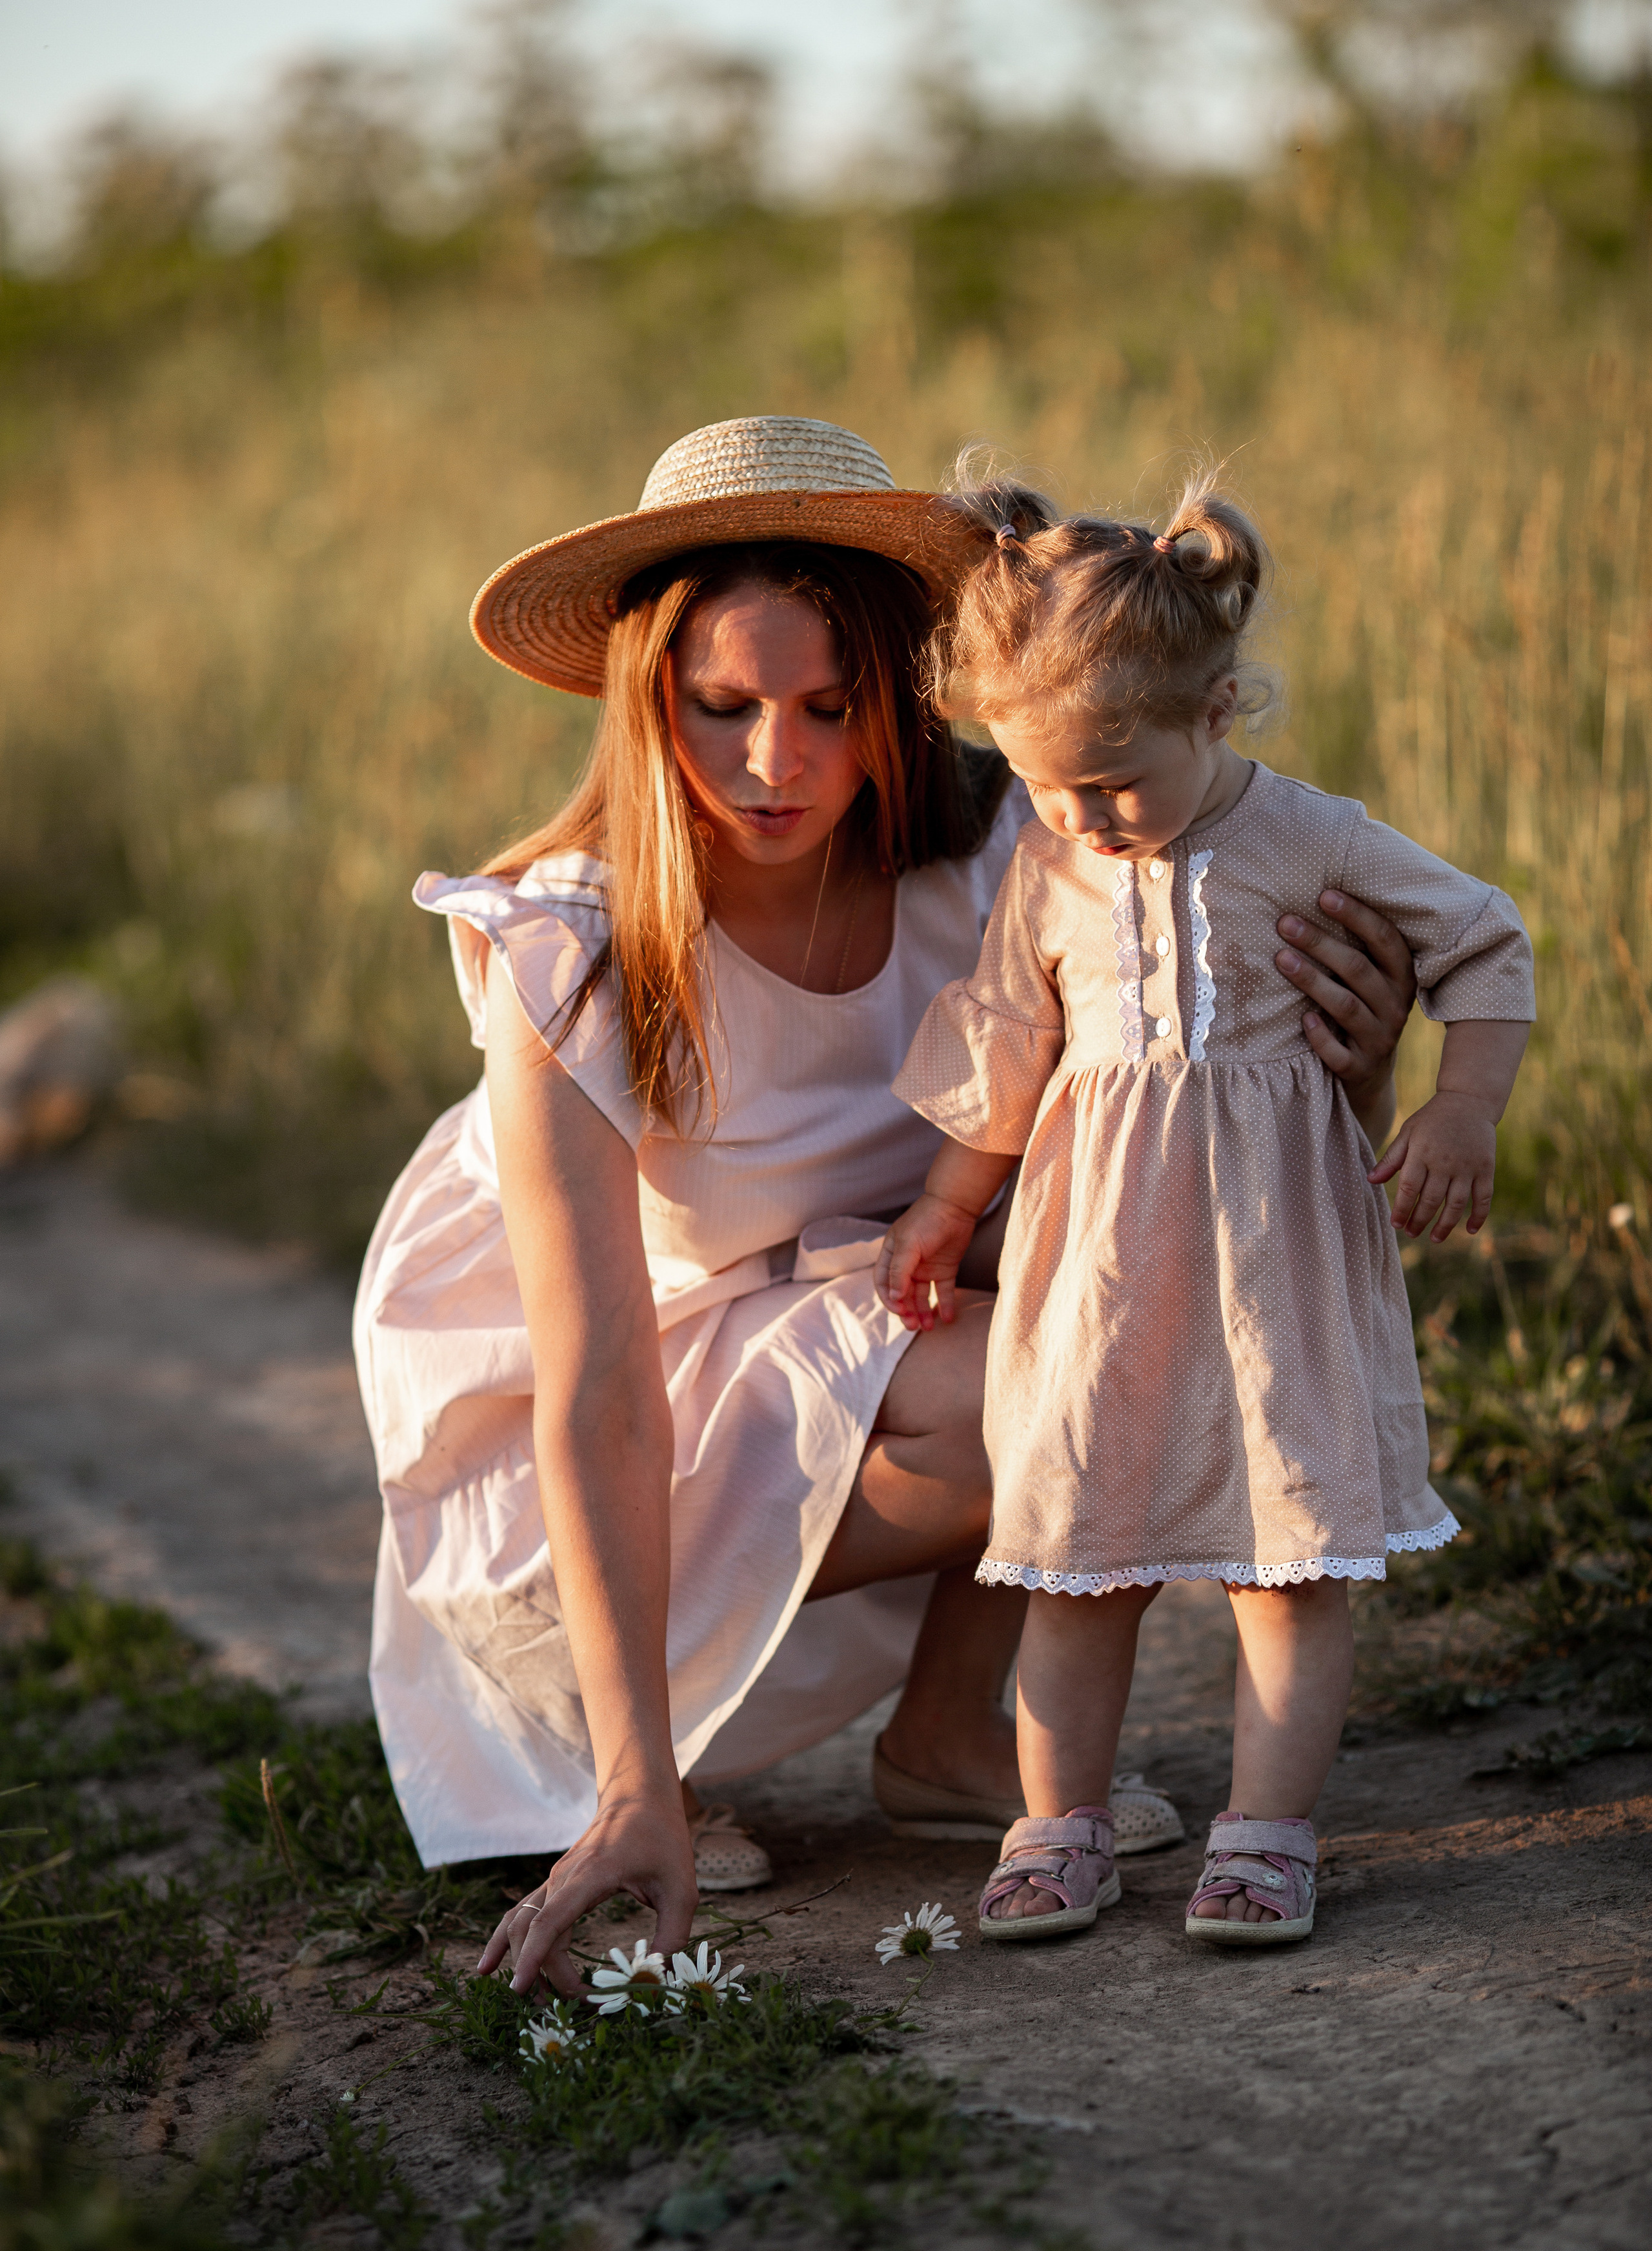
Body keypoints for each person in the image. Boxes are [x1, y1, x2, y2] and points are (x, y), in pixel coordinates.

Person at [350, 418, 1418, 2003]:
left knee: (1091, 1274)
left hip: (841, 1330)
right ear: (649, 704)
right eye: (718, 708)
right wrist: (637, 1781)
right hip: (588, 1443)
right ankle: (613, 1748)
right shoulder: (572, 948)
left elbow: (1190, 1135)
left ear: (901, 700)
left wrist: (1364, 1057)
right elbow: (596, 1392)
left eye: (825, 710)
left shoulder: (1009, 849)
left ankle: (942, 1738)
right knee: (1029, 1372)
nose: (771, 763)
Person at [876, 469, 1534, 1948]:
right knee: (1073, 1551)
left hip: (1274, 1254)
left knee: (1280, 1558)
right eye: (1044, 784)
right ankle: (1058, 1824)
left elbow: (1485, 943)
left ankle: (1266, 1834)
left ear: (1218, 707)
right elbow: (1004, 1044)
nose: (1080, 815)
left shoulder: (1311, 838)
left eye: (1113, 777)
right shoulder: (1047, 860)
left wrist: (1459, 1107)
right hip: (1096, 1264)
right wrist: (938, 1210)